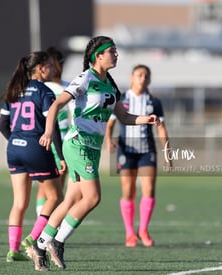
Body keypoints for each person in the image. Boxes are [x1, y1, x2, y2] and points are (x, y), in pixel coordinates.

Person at [28, 36, 161, 271]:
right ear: (98, 56)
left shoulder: (110, 85)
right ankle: (57, 242)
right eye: (112, 51)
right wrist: (49, 131)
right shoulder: (85, 78)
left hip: (92, 148)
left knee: (71, 199)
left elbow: (125, 118)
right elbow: (57, 105)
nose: (116, 55)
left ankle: (39, 243)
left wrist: (146, 120)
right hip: (77, 144)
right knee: (93, 198)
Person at [0, 51, 66, 263]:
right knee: (56, 197)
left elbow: (1, 125)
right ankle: (32, 240)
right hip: (35, 148)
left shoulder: (13, 90)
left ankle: (12, 250)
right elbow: (52, 128)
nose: (52, 70)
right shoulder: (44, 92)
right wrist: (61, 156)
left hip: (14, 149)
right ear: (39, 68)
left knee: (19, 202)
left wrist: (17, 140)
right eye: (49, 66)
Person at [105, 64, 171, 248]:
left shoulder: (153, 102)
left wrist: (167, 152)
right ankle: (129, 233)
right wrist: (108, 139)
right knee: (128, 191)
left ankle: (143, 230)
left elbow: (161, 128)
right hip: (126, 150)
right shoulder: (121, 99)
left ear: (149, 80)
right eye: (139, 74)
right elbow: (110, 124)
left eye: (146, 76)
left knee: (149, 189)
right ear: (132, 77)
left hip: (146, 150)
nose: (142, 78)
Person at [34, 46, 70, 216]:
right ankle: (43, 232)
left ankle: (42, 228)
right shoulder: (54, 88)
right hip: (57, 142)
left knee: (47, 191)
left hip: (51, 142)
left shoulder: (65, 86)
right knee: (55, 193)